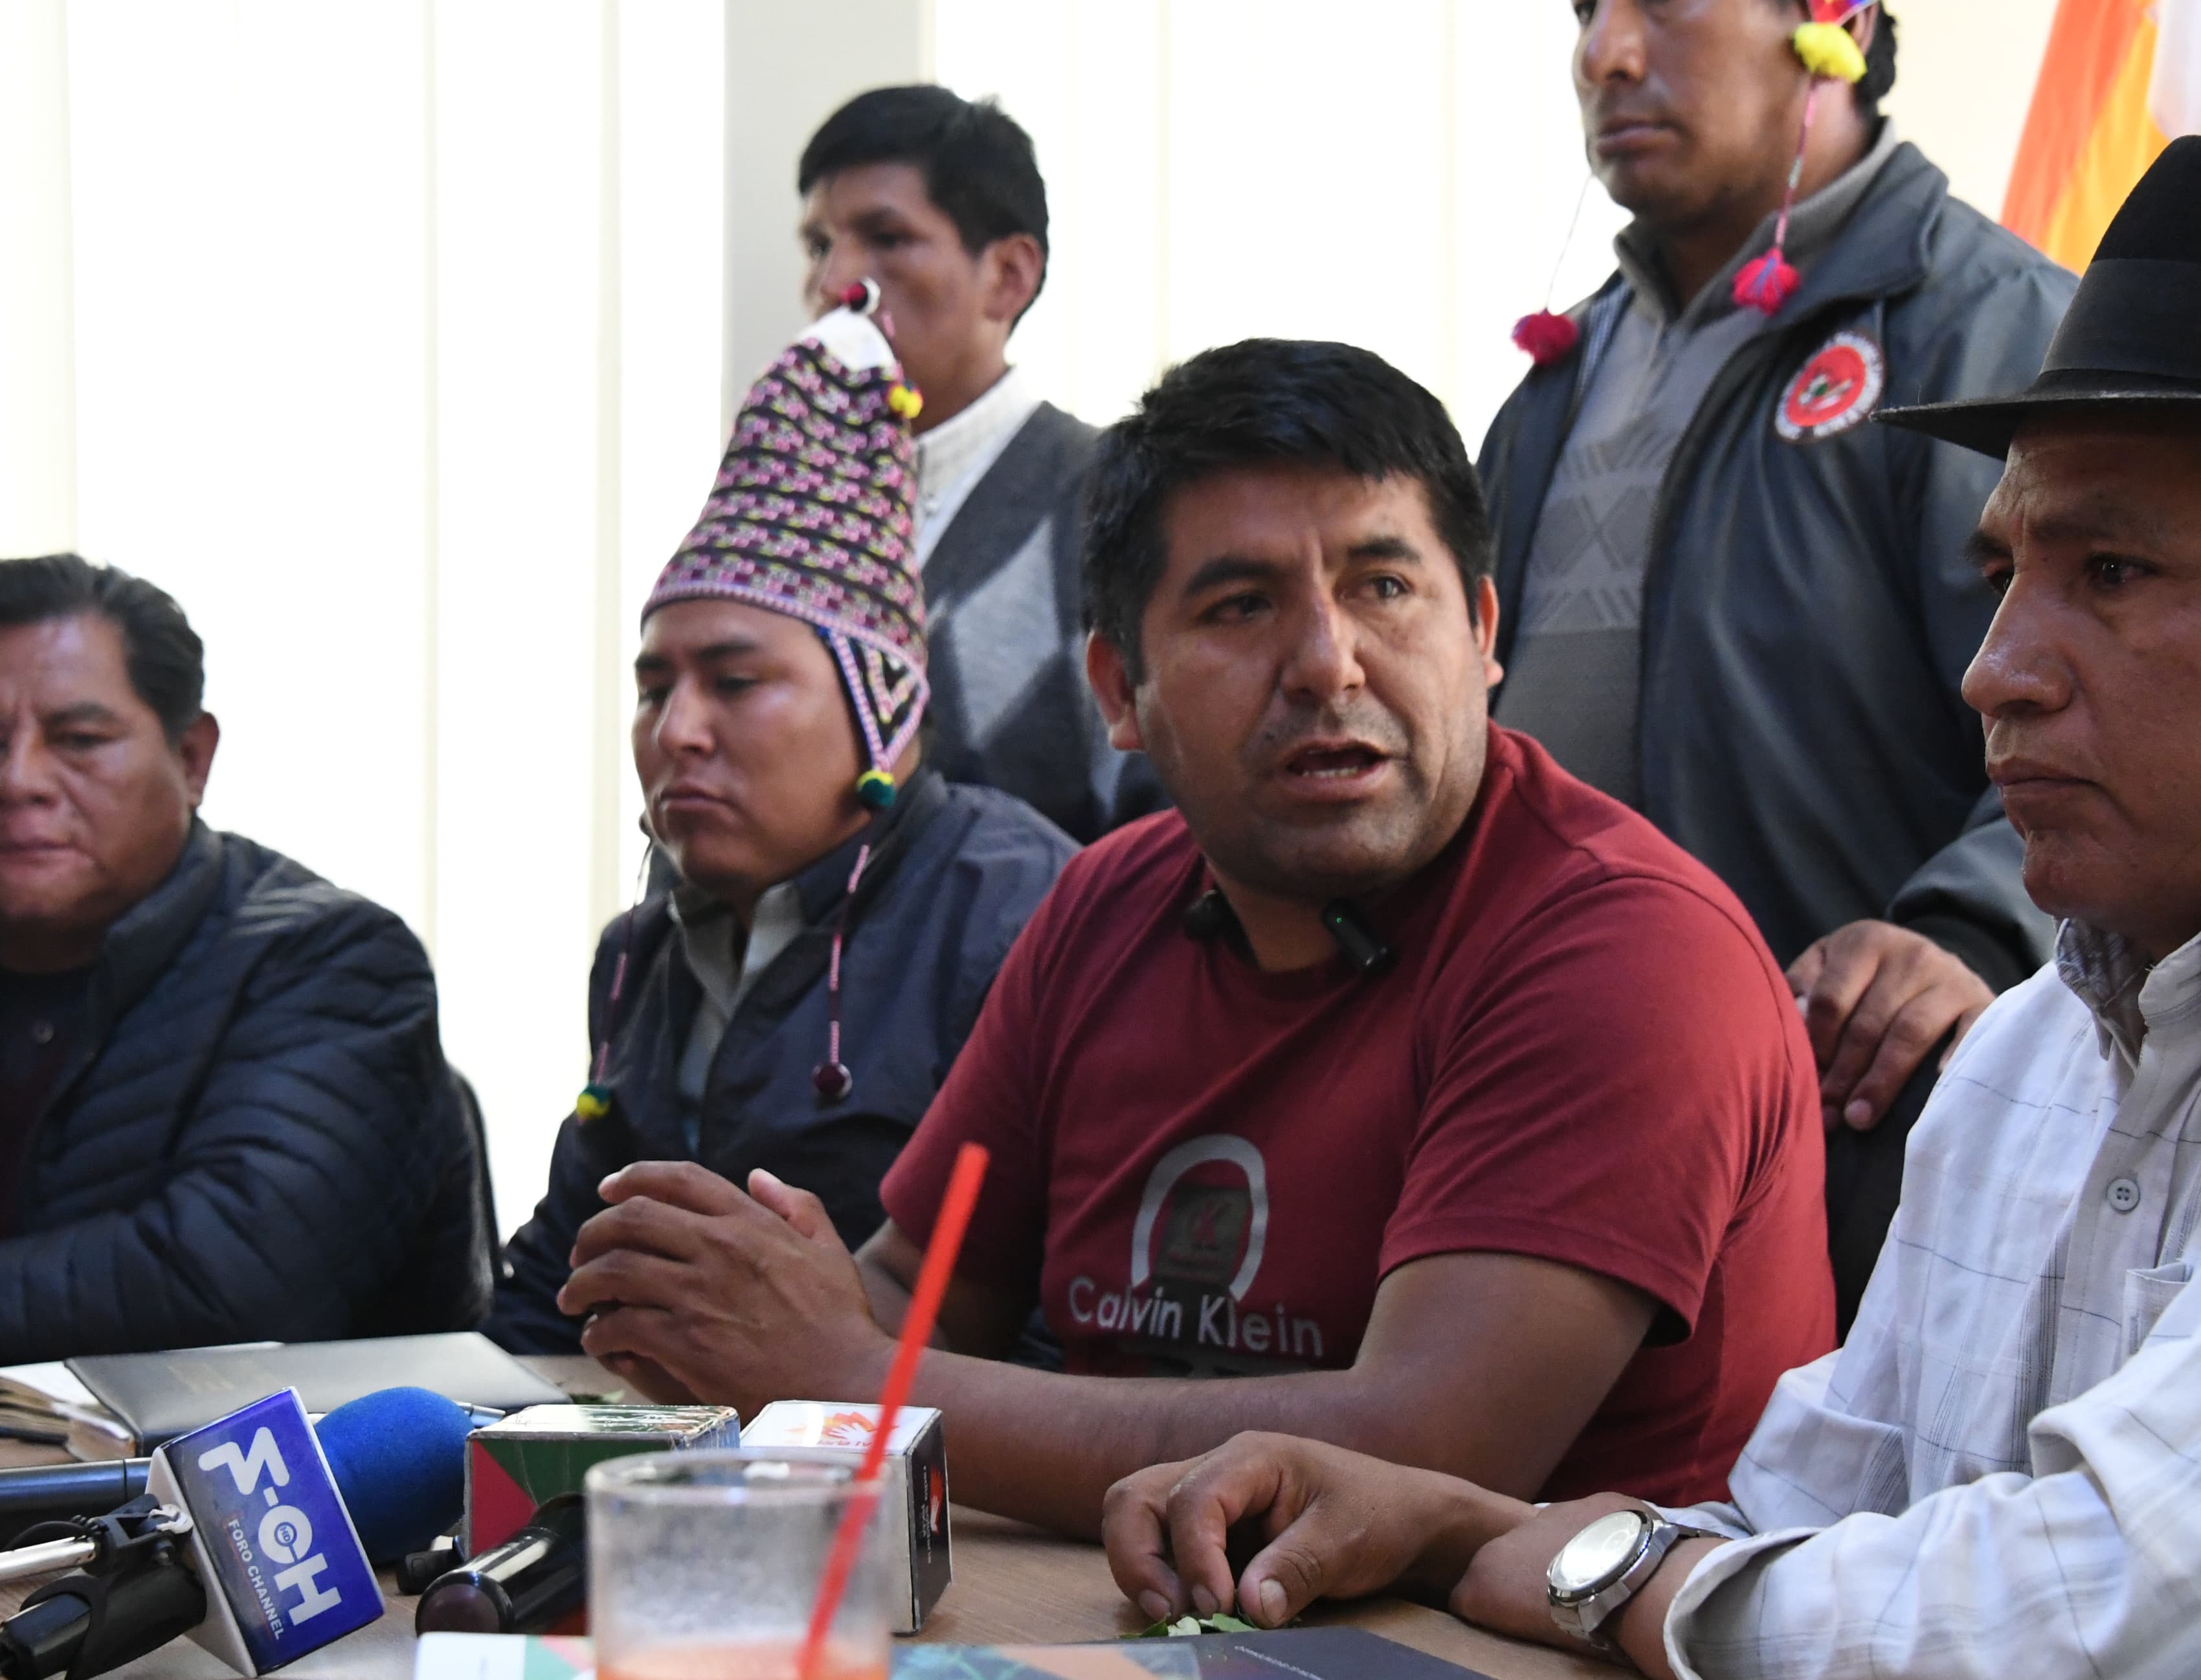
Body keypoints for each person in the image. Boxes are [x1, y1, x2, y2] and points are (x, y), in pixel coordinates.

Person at [1106, 134, 2201, 1680]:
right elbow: (1811, 1527)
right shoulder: (2026, 1060)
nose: (1995, 669)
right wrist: (1469, 1532)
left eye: (2114, 572)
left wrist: (1583, 1568)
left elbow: (2087, 1631)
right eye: (2004, 571)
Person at [543, 338, 1835, 1538]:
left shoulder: (1625, 949)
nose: (1328, 661)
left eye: (1385, 587)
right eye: (1241, 606)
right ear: (1120, 689)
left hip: (1543, 1658)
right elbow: (920, 1299)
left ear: (1485, 634)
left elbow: (1424, 1446)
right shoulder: (1103, 906)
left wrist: (840, 1376)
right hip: (1138, 1622)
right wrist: (723, 1312)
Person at [1488, 0, 2078, 1319]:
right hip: (1536, 1116)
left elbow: (2114, 711)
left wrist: (1976, 932)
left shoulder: (1991, 331)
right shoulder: (1556, 378)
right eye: (1585, 3)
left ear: (1832, 18)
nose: (1605, 52)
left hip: (1853, 1136)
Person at [0, 555, 488, 1365]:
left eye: (79, 741)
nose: (19, 781)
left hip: (247, 1451)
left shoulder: (333, 966)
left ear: (192, 759)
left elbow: (234, 1289)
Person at [488, 293, 1074, 1352]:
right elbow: (561, 1280)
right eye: (653, 689)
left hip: (926, 1450)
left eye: (736, 681)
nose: (678, 731)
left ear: (885, 708)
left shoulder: (1022, 917)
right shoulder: (641, 952)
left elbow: (1062, 1324)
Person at [798, 84, 1160, 844]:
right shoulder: (793, 512)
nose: (835, 285)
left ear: (1008, 276)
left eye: (887, 238)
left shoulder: (1118, 500)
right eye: (819, 245)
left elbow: (1163, 835)